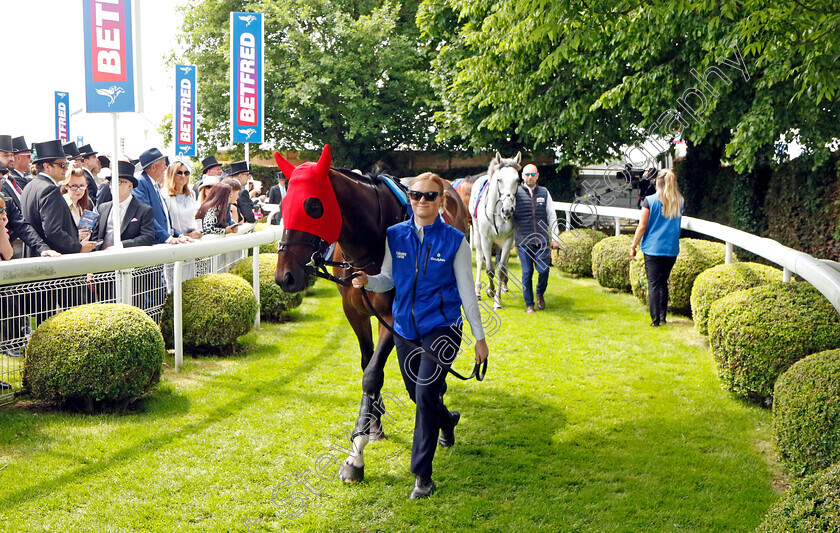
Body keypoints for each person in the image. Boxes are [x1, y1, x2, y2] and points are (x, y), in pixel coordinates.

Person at [351, 172, 489, 500]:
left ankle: (422, 476)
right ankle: (447, 421)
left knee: (426, 393)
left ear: (442, 201)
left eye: (429, 196)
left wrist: (480, 338)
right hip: (405, 331)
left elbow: (467, 293)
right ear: (409, 198)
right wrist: (367, 281)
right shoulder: (395, 236)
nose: (421, 201)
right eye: (415, 195)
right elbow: (387, 278)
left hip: (443, 329)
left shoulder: (455, 241)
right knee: (419, 396)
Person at [20, 140, 96, 255]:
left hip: (34, 255)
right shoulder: (49, 189)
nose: (66, 168)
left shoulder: (29, 186)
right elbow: (53, 231)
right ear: (47, 166)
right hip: (52, 260)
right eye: (62, 164)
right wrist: (78, 247)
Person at [631, 168, 684, 326]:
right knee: (663, 283)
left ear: (657, 183)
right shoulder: (680, 201)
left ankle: (655, 321)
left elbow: (642, 226)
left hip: (653, 248)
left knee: (653, 284)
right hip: (671, 248)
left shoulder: (650, 200)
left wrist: (633, 245)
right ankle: (662, 317)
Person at [512, 164, 560, 314]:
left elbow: (552, 215)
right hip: (523, 240)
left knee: (544, 270)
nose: (530, 177)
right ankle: (529, 304)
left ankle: (540, 293)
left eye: (533, 175)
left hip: (542, 239)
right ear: (522, 176)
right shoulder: (515, 193)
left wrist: (555, 238)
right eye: (527, 174)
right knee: (527, 273)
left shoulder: (544, 192)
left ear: (537, 176)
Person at [132, 147, 190, 245]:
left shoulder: (153, 184)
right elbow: (146, 217)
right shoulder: (141, 183)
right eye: (164, 164)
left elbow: (164, 218)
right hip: (154, 246)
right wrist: (168, 238)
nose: (166, 168)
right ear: (154, 167)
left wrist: (178, 235)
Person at [92, 161, 155, 249]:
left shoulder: (143, 210)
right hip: (102, 258)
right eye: (111, 183)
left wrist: (121, 245)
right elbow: (96, 236)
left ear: (130, 185)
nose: (113, 186)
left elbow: (147, 238)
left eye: (118, 182)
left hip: (127, 259)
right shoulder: (102, 208)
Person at [163, 158, 202, 239]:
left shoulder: (191, 194)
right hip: (176, 241)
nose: (183, 176)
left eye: (186, 173)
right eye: (179, 173)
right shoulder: (165, 196)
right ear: (172, 175)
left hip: (192, 239)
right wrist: (184, 236)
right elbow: (165, 224)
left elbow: (192, 219)